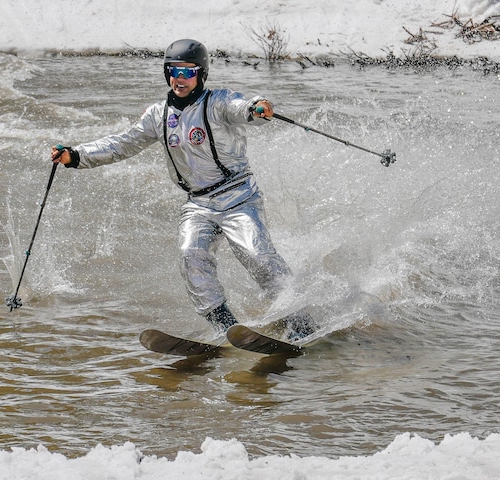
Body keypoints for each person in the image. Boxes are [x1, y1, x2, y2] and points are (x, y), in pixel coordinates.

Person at [52, 39, 312, 340]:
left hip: (239, 196)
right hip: (198, 204)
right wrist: (77, 155)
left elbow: (242, 107)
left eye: (188, 72)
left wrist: (257, 107)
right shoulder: (158, 116)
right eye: (174, 71)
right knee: (191, 256)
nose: (180, 79)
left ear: (201, 75)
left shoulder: (218, 103)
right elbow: (121, 144)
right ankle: (227, 328)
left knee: (257, 256)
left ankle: (300, 321)